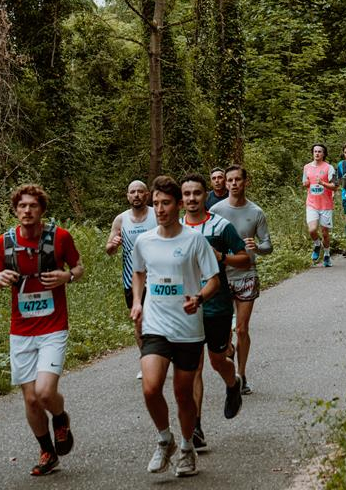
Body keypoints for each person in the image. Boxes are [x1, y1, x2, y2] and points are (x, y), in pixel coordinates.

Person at [0, 184, 83, 477]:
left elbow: (78, 267)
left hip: (53, 325)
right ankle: (47, 451)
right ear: (15, 210)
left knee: (44, 393)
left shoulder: (60, 238)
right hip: (21, 329)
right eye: (22, 206)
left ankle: (60, 416)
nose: (27, 211)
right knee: (30, 399)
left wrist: (66, 275)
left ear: (42, 209)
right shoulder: (4, 243)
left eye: (33, 206)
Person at [131, 176, 221, 477]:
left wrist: (198, 298)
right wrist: (137, 302)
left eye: (165, 203)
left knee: (183, 394)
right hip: (156, 324)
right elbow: (139, 274)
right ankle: (164, 439)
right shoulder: (145, 241)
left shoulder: (195, 240)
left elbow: (214, 280)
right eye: (155, 203)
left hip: (188, 327)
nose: (159, 208)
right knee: (151, 387)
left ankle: (185, 447)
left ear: (178, 205)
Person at [179, 175, 244, 450]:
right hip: (186, 308)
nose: (192, 198)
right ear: (181, 198)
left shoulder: (221, 225)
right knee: (194, 369)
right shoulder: (173, 228)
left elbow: (244, 258)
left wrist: (223, 258)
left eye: (196, 193)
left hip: (217, 305)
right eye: (187, 194)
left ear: (205, 195)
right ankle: (195, 428)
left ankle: (233, 383)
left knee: (218, 362)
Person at [210, 165, 273, 396]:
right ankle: (229, 356)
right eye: (230, 180)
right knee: (224, 335)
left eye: (238, 179)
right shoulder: (215, 210)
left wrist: (257, 247)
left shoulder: (256, 212)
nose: (234, 184)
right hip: (222, 276)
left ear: (246, 182)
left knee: (242, 328)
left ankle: (242, 374)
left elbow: (268, 245)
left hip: (247, 274)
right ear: (224, 183)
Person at [105, 180, 157, 363]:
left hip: (158, 277)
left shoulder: (156, 215)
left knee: (161, 321)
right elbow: (109, 249)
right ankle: (146, 361)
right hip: (131, 279)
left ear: (147, 195)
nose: (136, 195)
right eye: (132, 192)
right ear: (127, 196)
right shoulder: (121, 219)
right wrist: (112, 245)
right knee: (139, 322)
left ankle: (164, 356)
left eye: (140, 191)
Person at [302, 145, 337, 268]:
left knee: (325, 233)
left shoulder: (329, 168)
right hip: (312, 204)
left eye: (319, 152)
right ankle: (317, 244)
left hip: (326, 205)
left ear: (323, 154)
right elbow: (305, 182)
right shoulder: (307, 167)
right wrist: (305, 184)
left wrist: (322, 183)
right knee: (312, 230)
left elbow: (335, 186)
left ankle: (327, 255)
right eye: (315, 151)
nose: (317, 154)